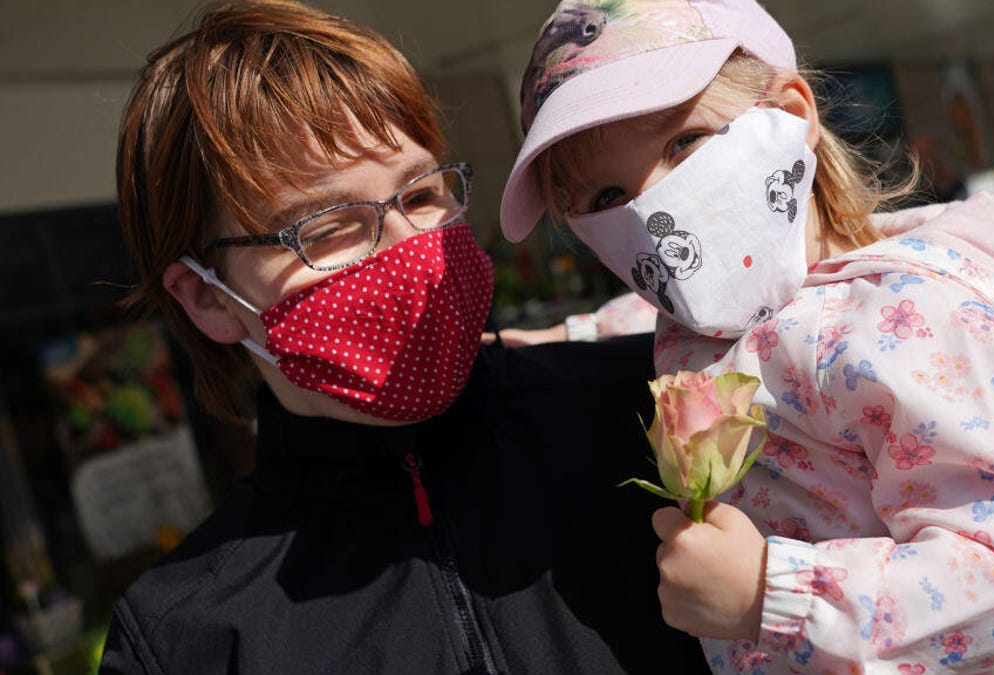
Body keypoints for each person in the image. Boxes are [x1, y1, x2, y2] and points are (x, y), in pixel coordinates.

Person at [501, 1, 994, 672]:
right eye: (604, 198)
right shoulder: (711, 307)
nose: (649, 207)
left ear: (792, 115)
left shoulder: (915, 318)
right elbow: (671, 319)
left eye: (683, 142)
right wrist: (569, 335)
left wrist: (768, 595)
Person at [98, 1, 709, 672]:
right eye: (328, 226)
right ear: (209, 298)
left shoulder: (657, 411)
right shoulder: (183, 637)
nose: (409, 246)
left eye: (421, 194)